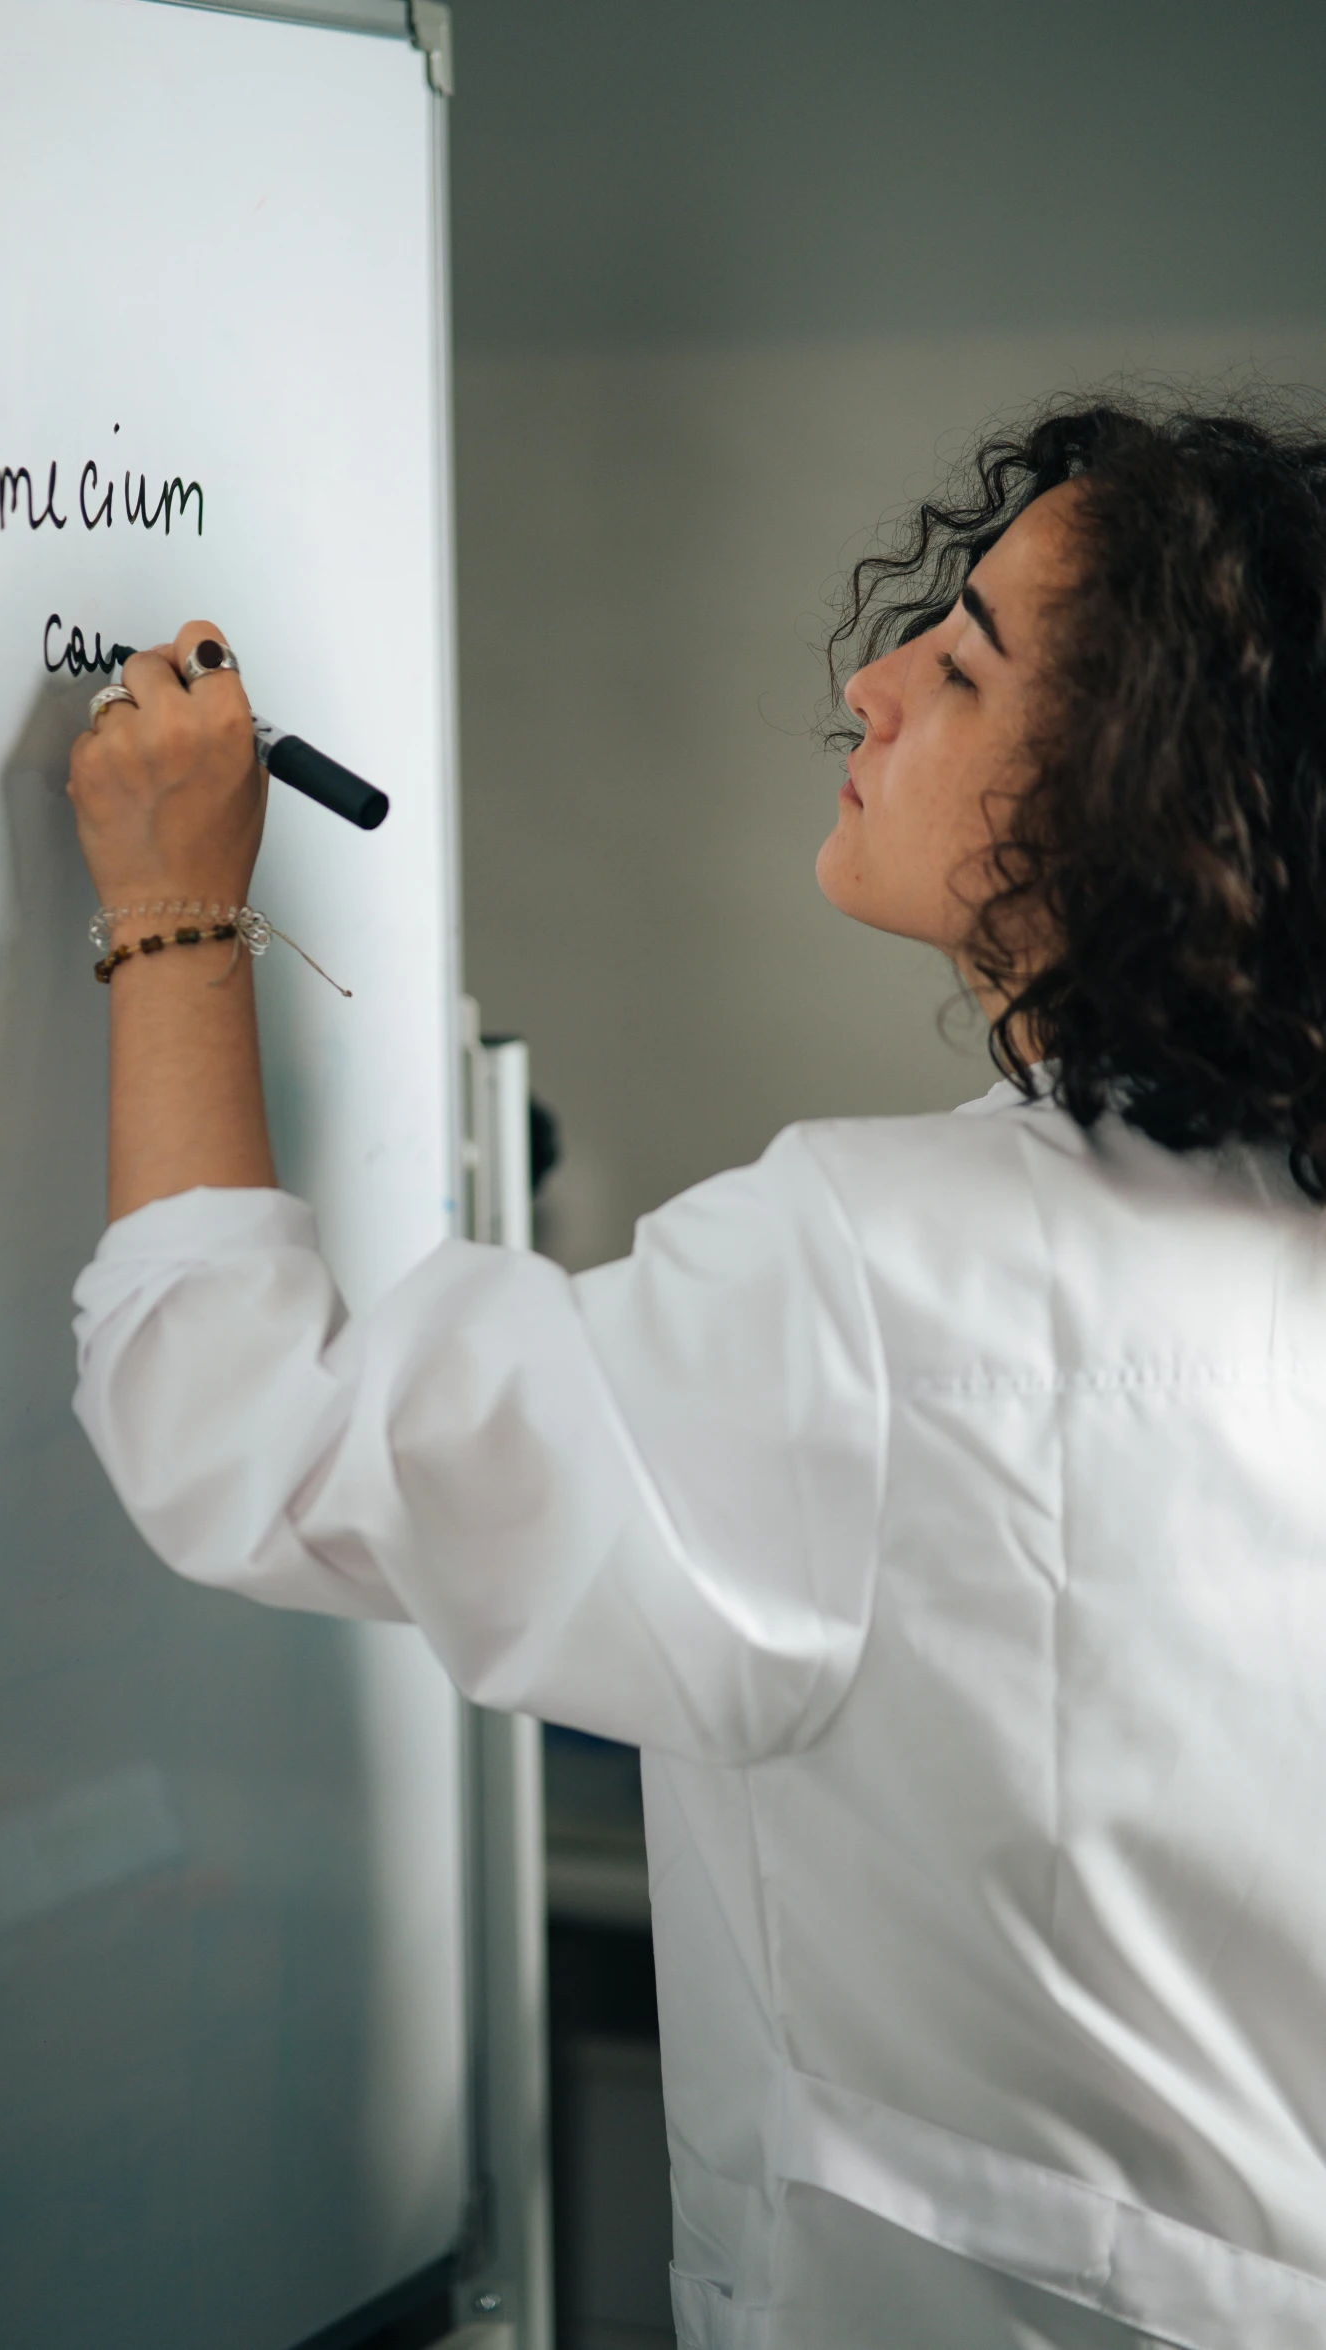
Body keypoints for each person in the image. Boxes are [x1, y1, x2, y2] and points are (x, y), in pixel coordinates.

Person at [68, 397, 1326, 2350]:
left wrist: (170, 909)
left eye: (964, 658)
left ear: (1143, 805)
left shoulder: (873, 1273)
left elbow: (234, 1434)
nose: (875, 677)